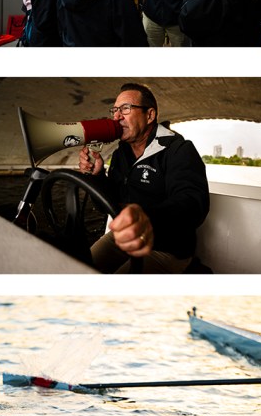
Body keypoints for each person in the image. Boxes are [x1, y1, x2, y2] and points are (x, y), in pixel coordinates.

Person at [76, 82, 210, 273]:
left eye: (125, 108)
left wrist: (146, 217)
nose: (116, 116)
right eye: (115, 110)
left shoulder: (179, 149)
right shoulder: (121, 152)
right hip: (123, 237)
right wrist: (98, 176)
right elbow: (108, 203)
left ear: (150, 115)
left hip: (167, 249)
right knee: (79, 270)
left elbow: (193, 204)